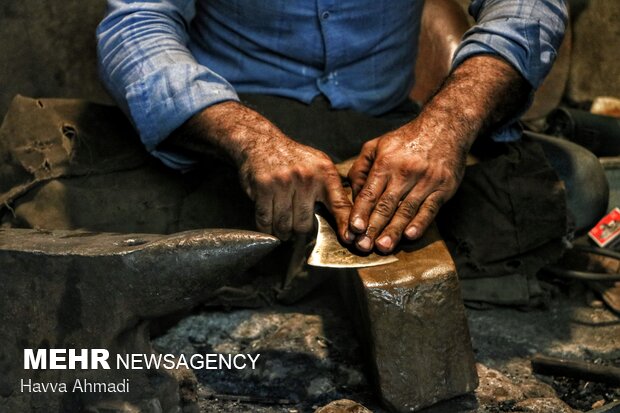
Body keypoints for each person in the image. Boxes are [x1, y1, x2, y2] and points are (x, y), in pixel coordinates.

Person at [96, 0, 607, 261]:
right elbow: (136, 26)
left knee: (575, 185)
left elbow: (528, 5)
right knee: (67, 195)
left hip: (387, 130)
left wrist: (448, 125)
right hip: (228, 135)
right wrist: (247, 137)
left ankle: (281, 261)